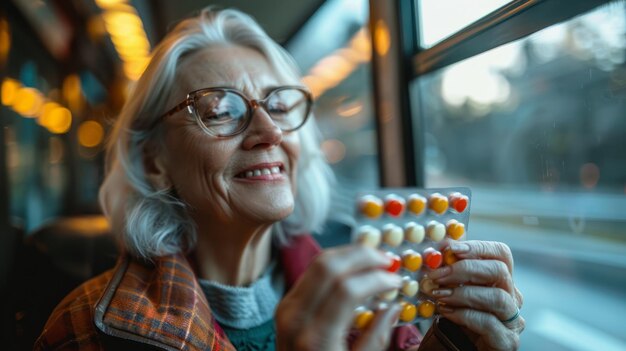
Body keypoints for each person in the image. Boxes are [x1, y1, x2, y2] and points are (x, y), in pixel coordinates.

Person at [34, 7, 524, 351]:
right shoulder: (86, 328)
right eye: (220, 109)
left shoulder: (372, 294)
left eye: (279, 105)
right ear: (152, 160)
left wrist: (459, 343)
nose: (268, 131)